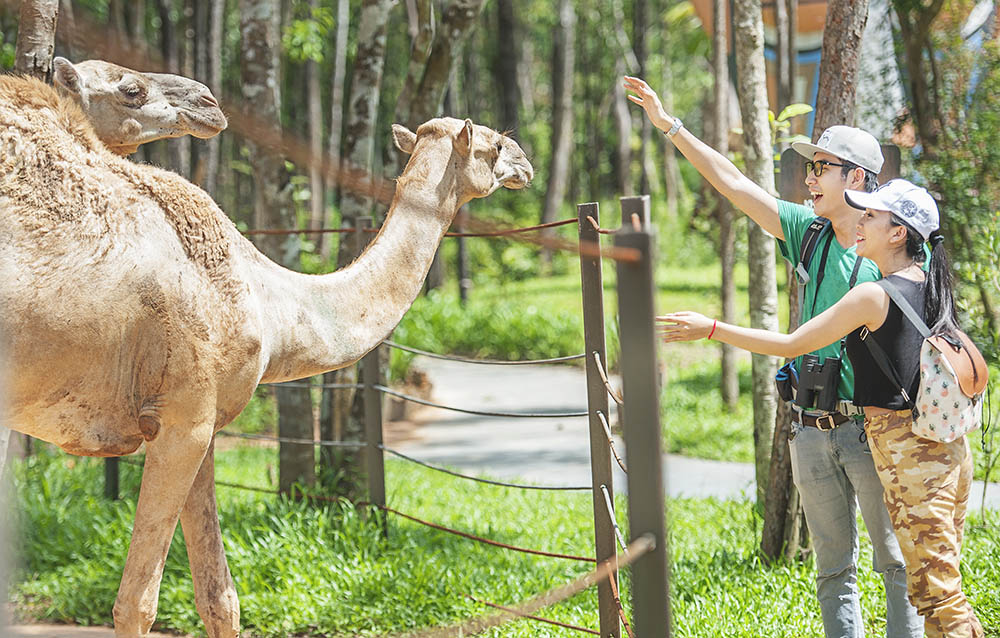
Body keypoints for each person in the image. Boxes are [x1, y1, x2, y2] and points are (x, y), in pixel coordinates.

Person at [623, 75, 923, 638]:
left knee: (895, 566)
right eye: (810, 167)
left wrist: (712, 328)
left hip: (872, 429)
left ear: (856, 177)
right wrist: (672, 126)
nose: (809, 178)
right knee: (834, 570)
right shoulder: (807, 232)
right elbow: (734, 184)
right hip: (810, 428)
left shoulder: (889, 241)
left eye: (822, 167)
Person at [659, 179, 982, 638]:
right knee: (937, 592)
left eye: (871, 216)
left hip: (911, 460)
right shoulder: (929, 282)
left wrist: (711, 328)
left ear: (897, 234)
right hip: (945, 451)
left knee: (939, 600)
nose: (860, 222)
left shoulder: (874, 295)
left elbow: (793, 343)